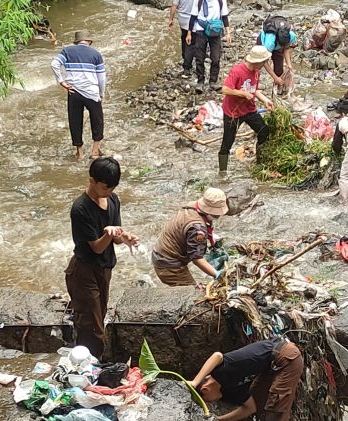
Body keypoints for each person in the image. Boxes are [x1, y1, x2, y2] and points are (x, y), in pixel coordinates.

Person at [64, 157, 138, 358]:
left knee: (99, 316)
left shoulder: (113, 199)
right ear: (92, 181)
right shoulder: (80, 208)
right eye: (105, 188)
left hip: (104, 269)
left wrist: (126, 237)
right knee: (92, 326)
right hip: (84, 271)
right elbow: (96, 247)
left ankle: (90, 361)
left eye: (112, 188)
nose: (109, 192)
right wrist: (109, 234)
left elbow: (116, 239)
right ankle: (91, 366)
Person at [189, 337, 303, 421]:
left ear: (205, 390)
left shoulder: (220, 372)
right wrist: (219, 419)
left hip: (285, 356)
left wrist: (195, 382)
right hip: (270, 367)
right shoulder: (229, 390)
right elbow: (251, 408)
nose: (213, 402)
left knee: (277, 405)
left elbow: (217, 356)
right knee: (257, 395)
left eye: (208, 400)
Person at [152, 188, 228, 286]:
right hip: (169, 265)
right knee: (192, 293)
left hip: (160, 255)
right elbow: (197, 259)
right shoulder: (197, 228)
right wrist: (217, 274)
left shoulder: (192, 206)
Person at [51, 30, 107, 161]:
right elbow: (102, 78)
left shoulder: (67, 51)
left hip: (73, 91)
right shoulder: (96, 54)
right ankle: (94, 151)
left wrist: (61, 81)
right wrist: (101, 94)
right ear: (89, 41)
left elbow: (54, 64)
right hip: (91, 92)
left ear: (76, 41)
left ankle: (80, 153)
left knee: (75, 121)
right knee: (97, 120)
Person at [218, 45, 275, 173]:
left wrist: (265, 100)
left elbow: (255, 90)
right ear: (257, 62)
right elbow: (225, 89)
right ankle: (222, 172)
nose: (265, 63)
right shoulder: (238, 71)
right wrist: (242, 94)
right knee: (227, 143)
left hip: (249, 110)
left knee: (263, 131)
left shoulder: (256, 72)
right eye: (263, 61)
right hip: (233, 113)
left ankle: (260, 160)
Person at [187, 0, 232, 93]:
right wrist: (189, 33)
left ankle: (213, 81)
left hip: (215, 30)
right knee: (199, 57)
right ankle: (200, 81)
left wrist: (228, 32)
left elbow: (224, 16)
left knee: (216, 57)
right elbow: (193, 17)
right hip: (201, 29)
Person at [168, 0, 205, 78]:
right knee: (191, 43)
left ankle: (185, 59)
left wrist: (171, 19)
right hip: (193, 20)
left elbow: (174, 5)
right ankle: (187, 68)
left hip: (182, 19)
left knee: (184, 38)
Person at [256, 15, 298, 91]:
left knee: (279, 69)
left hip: (276, 46)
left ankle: (278, 89)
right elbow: (264, 62)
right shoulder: (269, 43)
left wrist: (289, 64)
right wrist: (275, 77)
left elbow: (286, 48)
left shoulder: (291, 36)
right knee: (257, 66)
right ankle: (253, 85)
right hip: (263, 43)